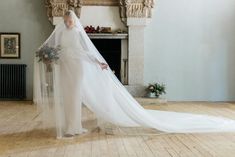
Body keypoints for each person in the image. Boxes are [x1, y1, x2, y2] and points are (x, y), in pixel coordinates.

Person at [34, 10, 235, 139]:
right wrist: (49, 57)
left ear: (74, 21)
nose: (69, 23)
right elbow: (56, 50)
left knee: (75, 97)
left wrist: (99, 63)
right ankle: (71, 126)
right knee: (67, 97)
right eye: (67, 20)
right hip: (66, 68)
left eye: (71, 20)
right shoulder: (60, 34)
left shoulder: (78, 34)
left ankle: (74, 127)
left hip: (77, 68)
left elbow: (85, 52)